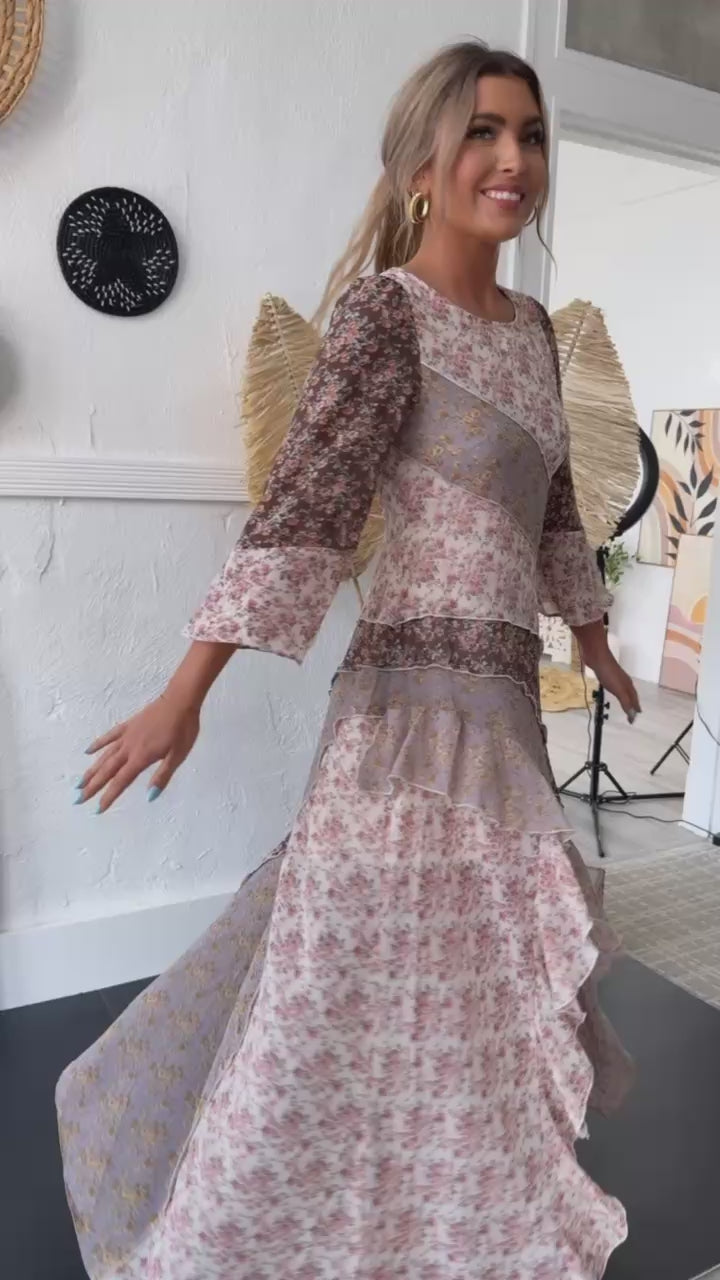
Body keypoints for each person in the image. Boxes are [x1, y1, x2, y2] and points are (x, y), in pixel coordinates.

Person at [57, 40, 639, 1280]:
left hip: (504, 725)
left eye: (531, 135)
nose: (514, 159)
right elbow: (307, 512)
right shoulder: (387, 316)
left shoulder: (535, 333)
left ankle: (454, 1223)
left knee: (477, 996)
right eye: (484, 131)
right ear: (424, 163)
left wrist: (592, 632)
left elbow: (552, 514)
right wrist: (183, 694)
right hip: (399, 734)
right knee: (340, 988)